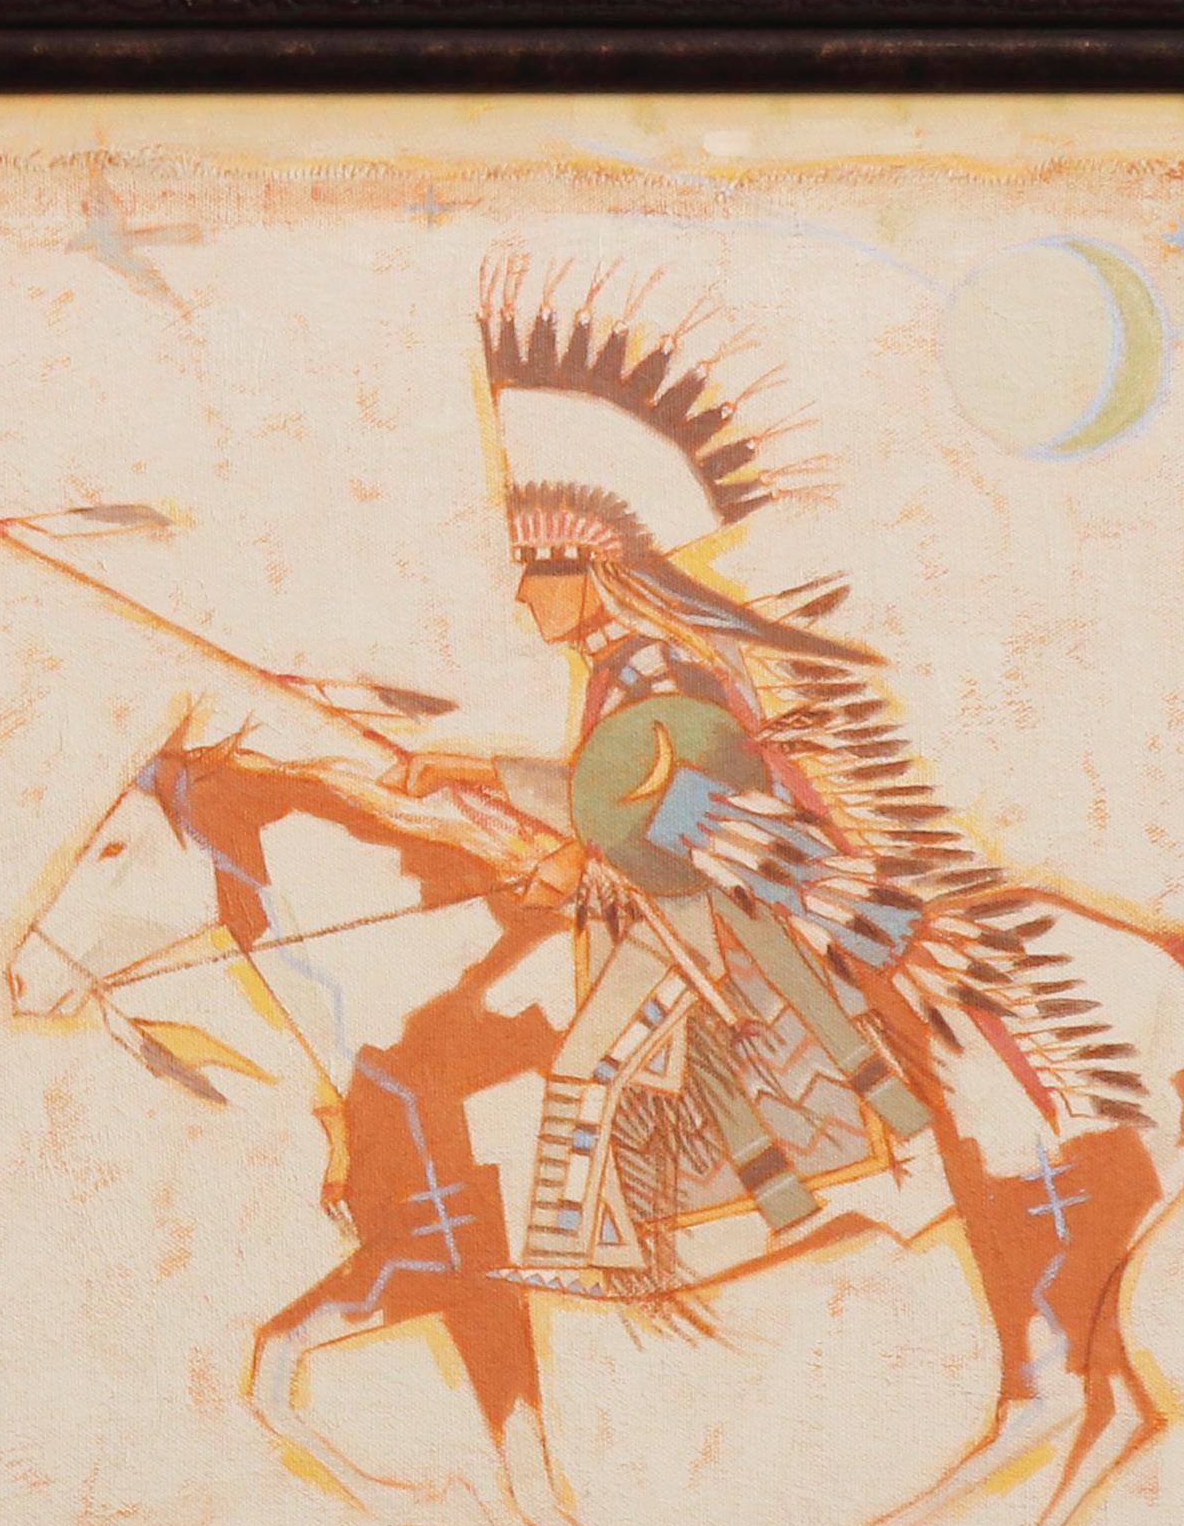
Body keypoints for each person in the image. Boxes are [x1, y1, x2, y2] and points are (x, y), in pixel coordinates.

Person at [389, 262, 940, 1293]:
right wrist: (533, 825)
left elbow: (625, 800)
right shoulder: (622, 673)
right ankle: (745, 1214)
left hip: (700, 921)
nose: (520, 596)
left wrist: (478, 776)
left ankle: (583, 1254)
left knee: (582, 1062)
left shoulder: (653, 670)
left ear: (588, 575)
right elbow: (607, 802)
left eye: (535, 572)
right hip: (660, 910)